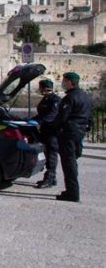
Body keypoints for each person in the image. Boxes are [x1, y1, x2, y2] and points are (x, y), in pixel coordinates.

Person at [55, 72, 93, 202]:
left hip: (69, 133)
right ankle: (71, 190)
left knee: (69, 163)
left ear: (70, 82)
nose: (63, 83)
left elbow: (62, 117)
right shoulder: (85, 96)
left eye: (64, 80)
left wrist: (54, 128)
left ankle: (72, 193)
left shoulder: (70, 98)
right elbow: (89, 116)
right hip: (79, 132)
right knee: (73, 162)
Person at [34, 79, 61, 189]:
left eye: (40, 87)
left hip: (52, 131)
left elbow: (51, 115)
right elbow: (41, 115)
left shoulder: (55, 100)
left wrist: (39, 121)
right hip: (45, 130)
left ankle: (50, 178)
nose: (39, 89)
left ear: (44, 88)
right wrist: (31, 120)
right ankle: (51, 177)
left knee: (51, 154)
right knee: (47, 153)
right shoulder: (46, 99)